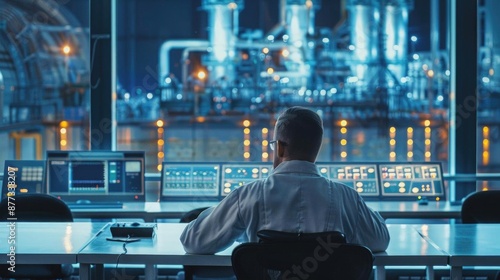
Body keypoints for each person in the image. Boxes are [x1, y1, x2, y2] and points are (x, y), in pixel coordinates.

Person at [180, 106, 390, 254]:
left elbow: (193, 242)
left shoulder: (247, 195)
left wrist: (217, 212)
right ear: (316, 148)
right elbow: (380, 240)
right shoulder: (346, 197)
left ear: (279, 147)